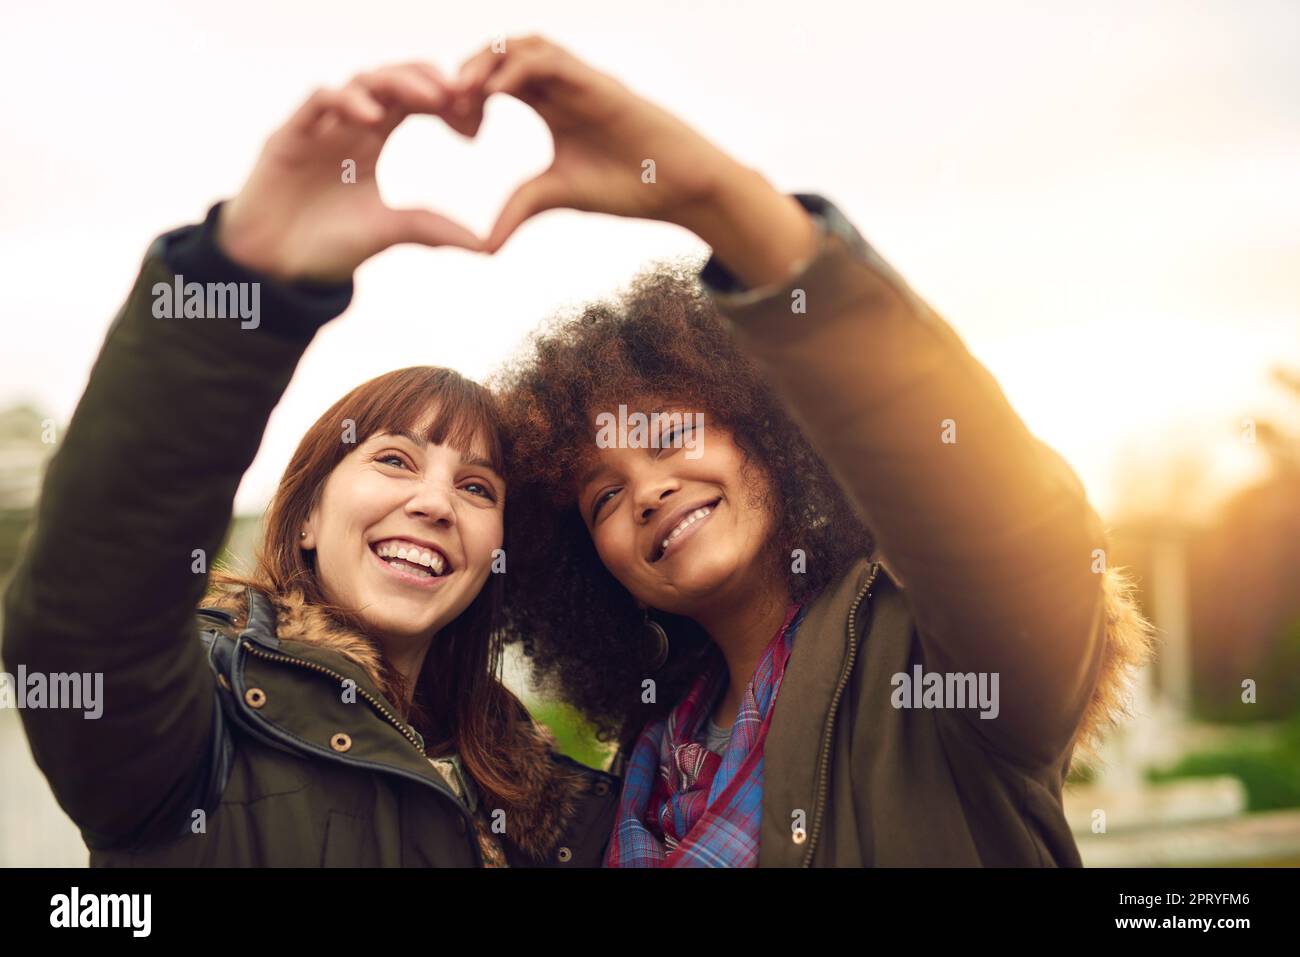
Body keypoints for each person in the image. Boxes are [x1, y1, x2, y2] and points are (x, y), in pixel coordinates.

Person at [479, 36, 1157, 866]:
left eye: (668, 435)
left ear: (767, 433)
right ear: (593, 570)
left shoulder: (930, 659)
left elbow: (998, 515)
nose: (648, 489)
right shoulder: (642, 771)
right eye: (604, 498)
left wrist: (721, 201)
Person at [1, 61, 617, 867]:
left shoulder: (561, 810)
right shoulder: (201, 720)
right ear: (307, 521)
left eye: (476, 486)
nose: (435, 502)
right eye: (395, 459)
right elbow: (84, 621)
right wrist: (241, 280)